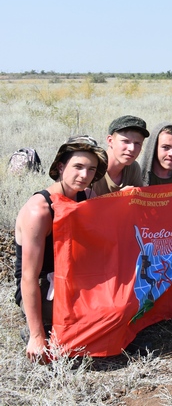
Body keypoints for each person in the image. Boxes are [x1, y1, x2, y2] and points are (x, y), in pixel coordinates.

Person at [15, 136, 108, 361]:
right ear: (60, 166)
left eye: (91, 169)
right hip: (44, 285)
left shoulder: (85, 196)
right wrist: (36, 336)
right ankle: (42, 327)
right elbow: (28, 277)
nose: (84, 175)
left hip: (72, 277)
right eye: (78, 167)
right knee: (99, 313)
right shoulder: (40, 211)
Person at [91, 115, 149, 196]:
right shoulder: (92, 167)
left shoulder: (133, 168)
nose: (132, 148)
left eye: (137, 143)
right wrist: (120, 197)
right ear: (110, 141)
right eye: (125, 141)